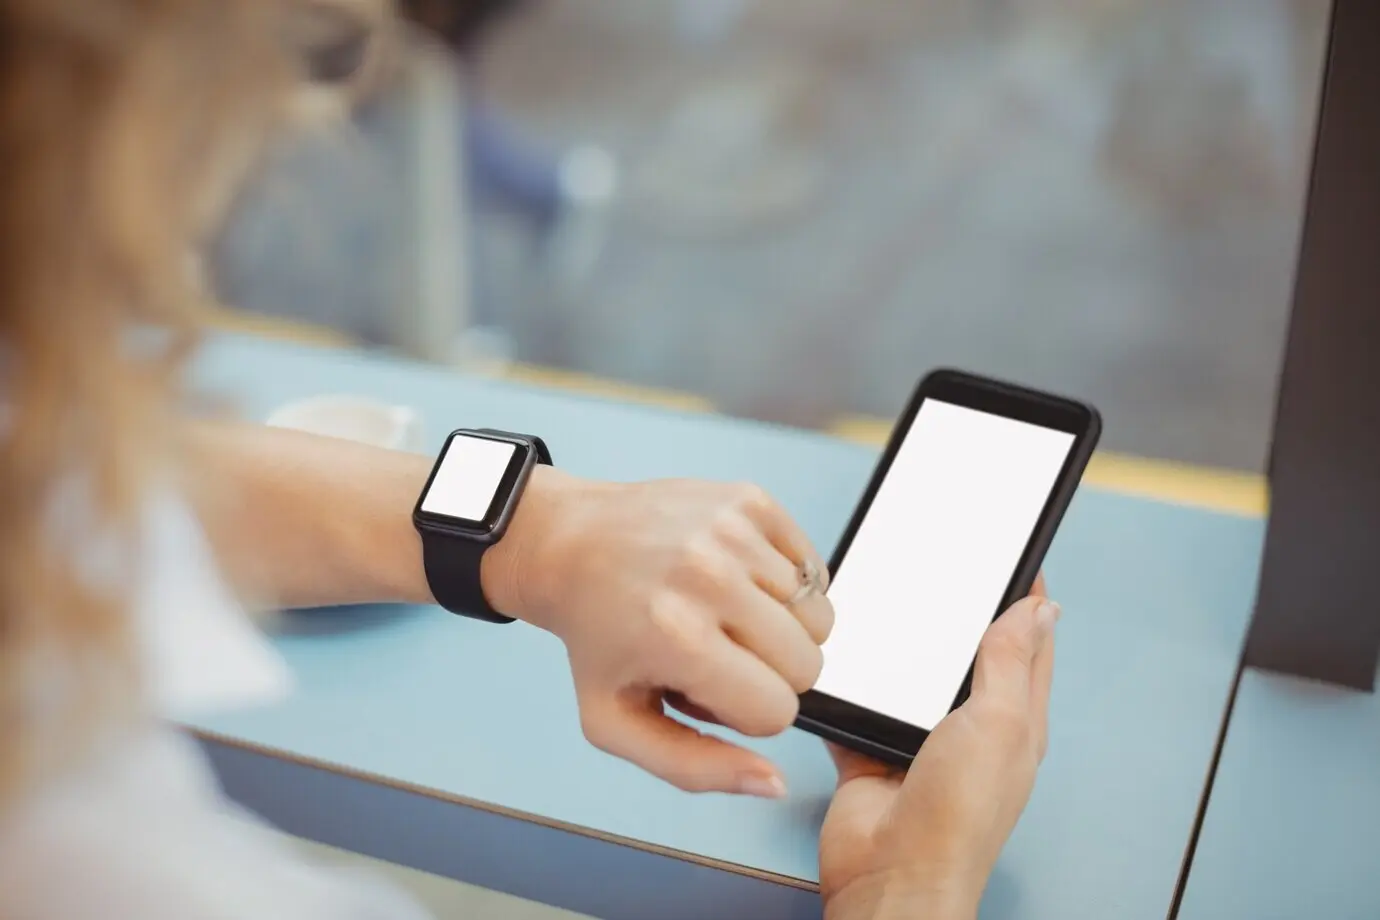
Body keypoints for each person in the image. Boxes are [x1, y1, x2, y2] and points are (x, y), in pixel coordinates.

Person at [0, 2, 1060, 918]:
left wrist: (535, 532)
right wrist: (907, 883)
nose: (292, 114)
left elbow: (70, 477)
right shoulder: (94, 849)